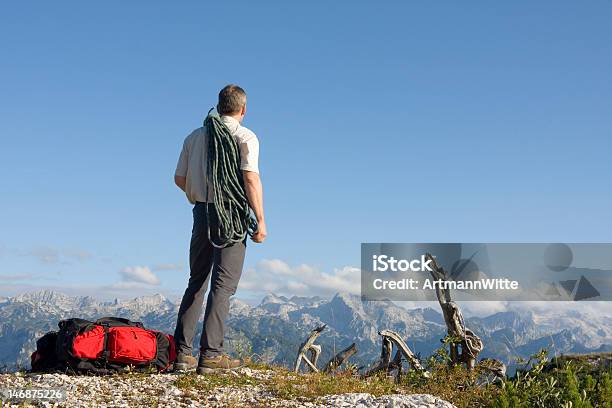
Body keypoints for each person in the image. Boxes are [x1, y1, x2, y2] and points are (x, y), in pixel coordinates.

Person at [172, 84, 266, 373]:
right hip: (231, 216)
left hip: (201, 213)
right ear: (243, 109)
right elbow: (250, 180)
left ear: (219, 105)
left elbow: (179, 178)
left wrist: (201, 193)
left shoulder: (195, 136)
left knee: (196, 280)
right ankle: (212, 354)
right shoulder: (244, 136)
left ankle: (181, 354)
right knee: (223, 286)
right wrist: (261, 220)